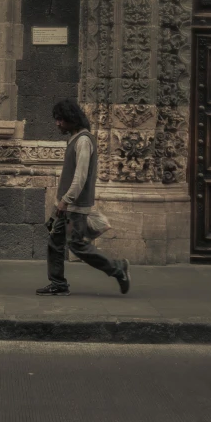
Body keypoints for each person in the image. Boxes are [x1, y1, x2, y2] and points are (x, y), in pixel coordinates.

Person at [36, 99, 131, 296]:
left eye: (61, 119)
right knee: (55, 243)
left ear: (71, 118)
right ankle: (58, 284)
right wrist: (58, 207)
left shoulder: (83, 141)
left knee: (76, 245)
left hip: (74, 207)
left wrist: (65, 200)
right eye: (57, 119)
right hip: (67, 206)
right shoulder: (75, 139)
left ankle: (117, 268)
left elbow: (80, 178)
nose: (57, 123)